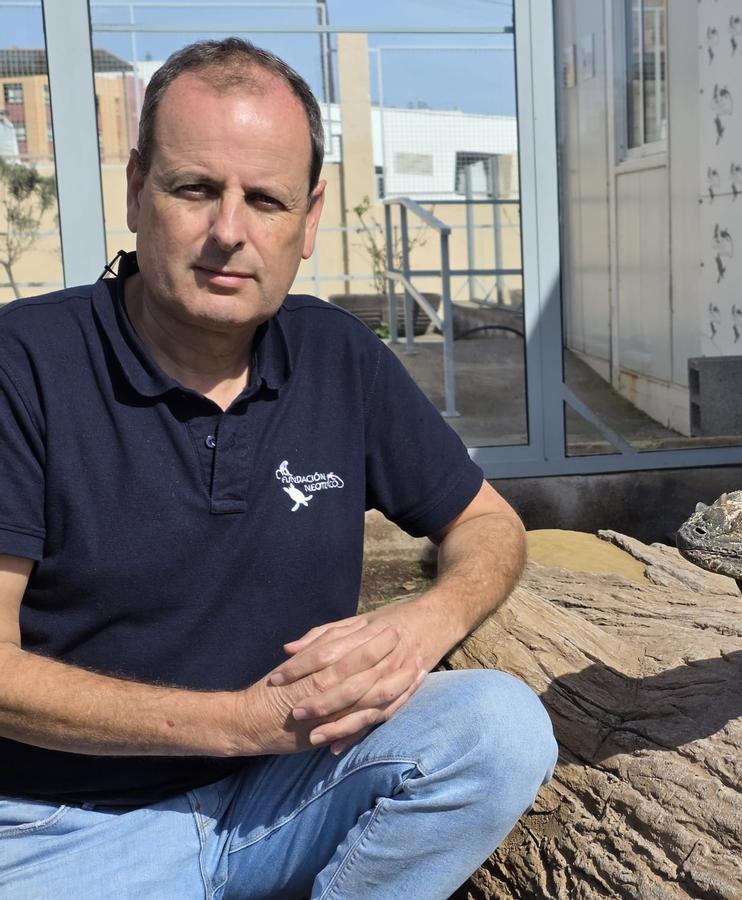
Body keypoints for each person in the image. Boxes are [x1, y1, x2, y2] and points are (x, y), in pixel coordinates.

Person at [0, 38, 556, 898]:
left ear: (310, 214)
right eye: (195, 189)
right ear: (136, 188)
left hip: (286, 794)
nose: (230, 232)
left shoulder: (337, 354)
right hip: (65, 831)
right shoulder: (25, 365)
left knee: (498, 729)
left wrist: (424, 623)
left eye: (265, 199)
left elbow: (488, 523)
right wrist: (242, 724)